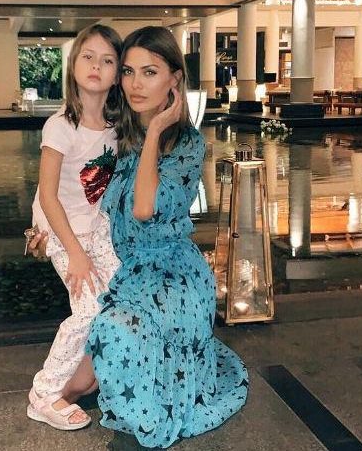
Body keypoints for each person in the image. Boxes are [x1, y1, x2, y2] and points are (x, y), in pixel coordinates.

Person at [81, 26, 248, 448]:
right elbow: (72, 183)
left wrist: (155, 131)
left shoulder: (187, 145)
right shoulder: (115, 135)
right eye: (128, 71)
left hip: (174, 275)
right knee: (97, 351)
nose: (135, 84)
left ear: (174, 79)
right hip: (129, 271)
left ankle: (148, 418)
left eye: (150, 72)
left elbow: (144, 208)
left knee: (117, 330)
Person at [26, 24, 123, 431]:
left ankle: (94, 371)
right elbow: (48, 196)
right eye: (88, 56)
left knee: (121, 294)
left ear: (117, 73)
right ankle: (44, 393)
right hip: (62, 230)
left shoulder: (117, 127)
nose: (96, 66)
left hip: (96, 227)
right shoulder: (60, 125)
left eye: (107, 60)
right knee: (88, 309)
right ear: (73, 65)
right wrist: (76, 253)